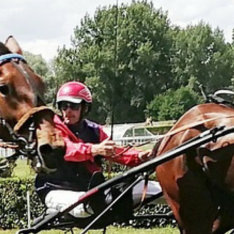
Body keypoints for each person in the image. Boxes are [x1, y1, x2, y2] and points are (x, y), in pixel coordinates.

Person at [35, 81, 162, 218]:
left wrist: (140, 156)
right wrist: (94, 149)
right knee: (87, 206)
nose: (68, 111)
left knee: (158, 188)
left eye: (74, 106)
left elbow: (116, 152)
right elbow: (67, 150)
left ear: (84, 108)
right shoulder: (52, 129)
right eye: (64, 106)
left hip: (91, 192)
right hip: (56, 189)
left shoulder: (95, 131)